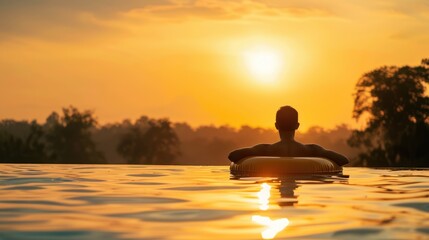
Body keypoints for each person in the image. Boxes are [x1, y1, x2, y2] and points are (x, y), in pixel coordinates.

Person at [228, 106, 349, 166]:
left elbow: (232, 156)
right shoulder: (311, 150)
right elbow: (343, 160)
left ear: (276, 126)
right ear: (297, 125)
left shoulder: (266, 150)